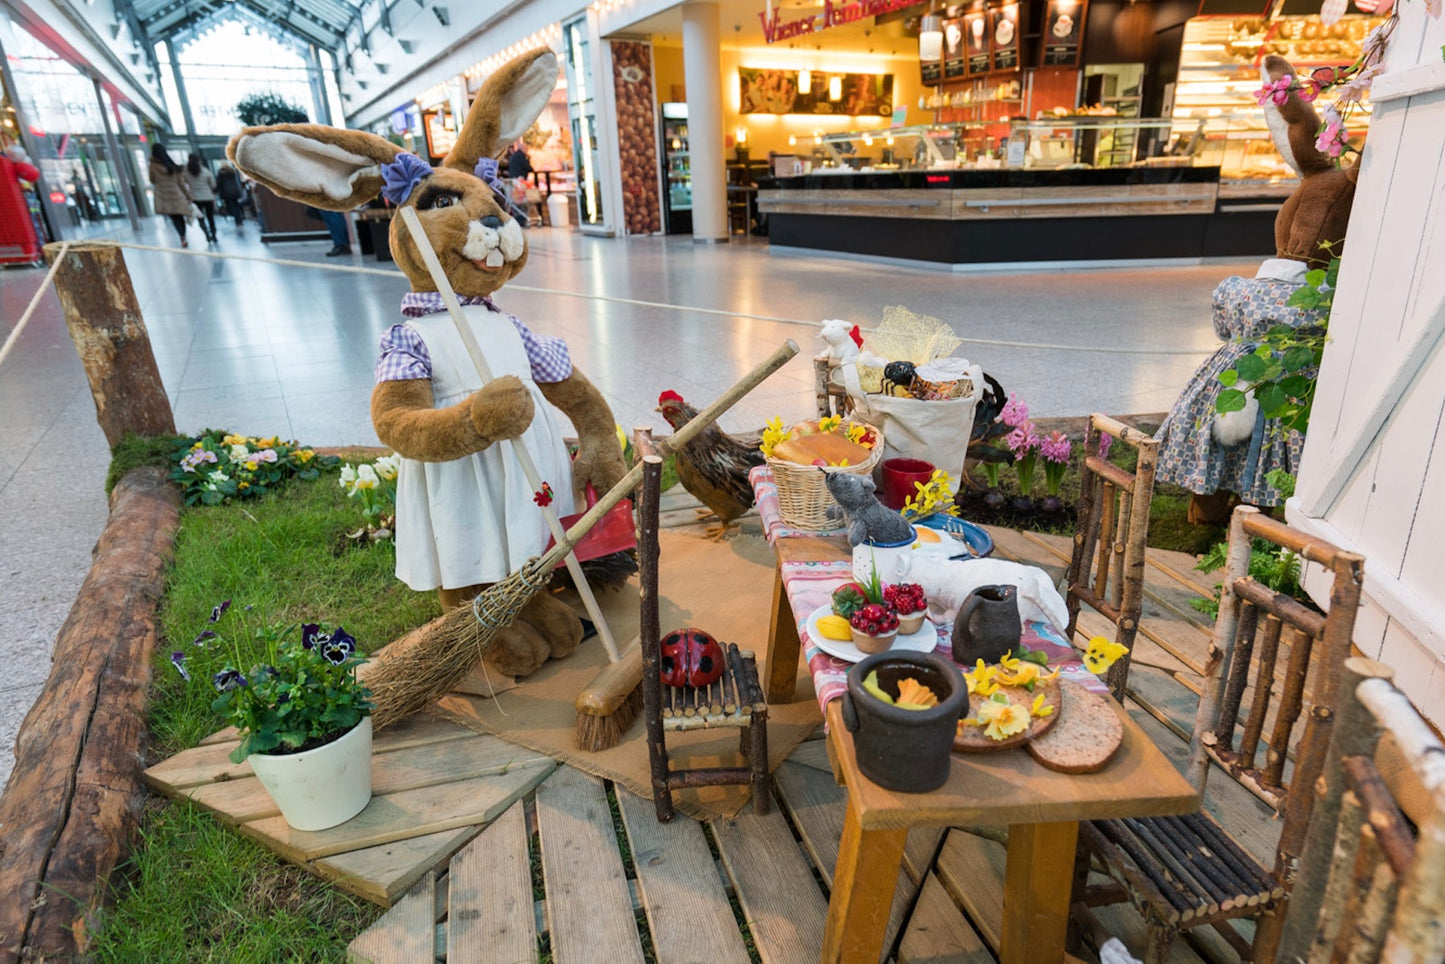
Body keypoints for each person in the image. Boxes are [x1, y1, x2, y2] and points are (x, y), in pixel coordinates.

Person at [148, 142, 193, 247]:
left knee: (174, 218)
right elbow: (181, 183)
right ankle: (183, 235)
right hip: (176, 193)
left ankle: (182, 237)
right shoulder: (172, 166)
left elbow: (152, 180)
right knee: (180, 216)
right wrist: (189, 196)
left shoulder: (152, 166)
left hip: (163, 196)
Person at [184, 153, 218, 243]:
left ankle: (206, 233)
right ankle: (214, 235)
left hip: (195, 199)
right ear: (199, 160)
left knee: (200, 218)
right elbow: (213, 184)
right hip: (208, 197)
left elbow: (183, 184)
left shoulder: (186, 173)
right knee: (210, 217)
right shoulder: (205, 171)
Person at [215, 162, 244, 228]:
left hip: (227, 193)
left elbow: (219, 184)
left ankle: (237, 221)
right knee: (236, 206)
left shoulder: (221, 174)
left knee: (232, 207)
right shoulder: (233, 172)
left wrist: (216, 191)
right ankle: (240, 220)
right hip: (235, 192)